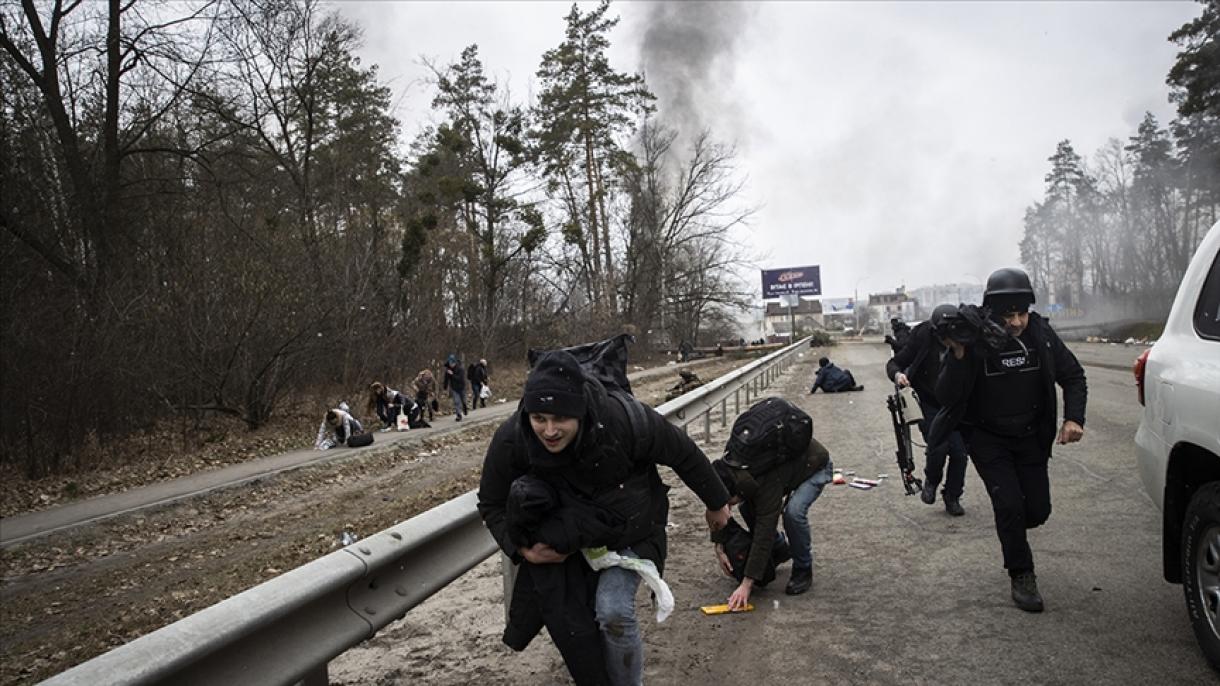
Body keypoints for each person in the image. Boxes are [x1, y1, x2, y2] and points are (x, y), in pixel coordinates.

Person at [478, 350, 731, 686]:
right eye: (539, 418)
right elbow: (491, 503)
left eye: (560, 419)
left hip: (631, 526)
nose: (549, 431)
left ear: (581, 411)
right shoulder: (513, 438)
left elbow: (682, 452)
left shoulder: (624, 420)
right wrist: (521, 550)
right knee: (577, 631)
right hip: (567, 536)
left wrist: (716, 503)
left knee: (612, 610)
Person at [934, 267, 1086, 613]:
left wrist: (1074, 418)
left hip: (1032, 436)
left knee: (1037, 510)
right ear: (992, 312)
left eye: (1022, 313)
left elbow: (1073, 376)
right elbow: (946, 396)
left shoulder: (1042, 335)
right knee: (1009, 506)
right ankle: (1021, 574)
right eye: (1008, 315)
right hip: (989, 439)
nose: (1016, 322)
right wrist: (957, 357)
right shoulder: (973, 340)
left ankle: (1016, 527)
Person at [711, 433, 834, 607]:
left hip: (815, 467)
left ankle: (803, 569)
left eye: (728, 503)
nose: (728, 507)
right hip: (790, 469)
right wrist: (719, 545)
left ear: (735, 492)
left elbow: (764, 530)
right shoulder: (729, 465)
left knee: (793, 513)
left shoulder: (765, 482)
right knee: (746, 507)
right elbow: (715, 510)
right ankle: (779, 549)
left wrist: (746, 584)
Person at [885, 304, 969, 516]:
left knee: (959, 454)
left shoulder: (966, 340)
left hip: (955, 404)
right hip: (927, 402)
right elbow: (895, 362)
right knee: (938, 446)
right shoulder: (922, 336)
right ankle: (932, 479)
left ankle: (952, 495)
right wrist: (898, 375)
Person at [442, 354, 467, 421]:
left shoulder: (460, 369)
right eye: (450, 363)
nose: (451, 365)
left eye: (452, 363)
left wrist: (452, 374)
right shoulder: (448, 370)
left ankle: (465, 407)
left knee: (463, 400)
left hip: (461, 387)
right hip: (454, 388)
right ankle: (458, 415)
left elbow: (460, 379)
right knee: (456, 401)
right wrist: (445, 388)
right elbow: (446, 379)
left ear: (455, 362)